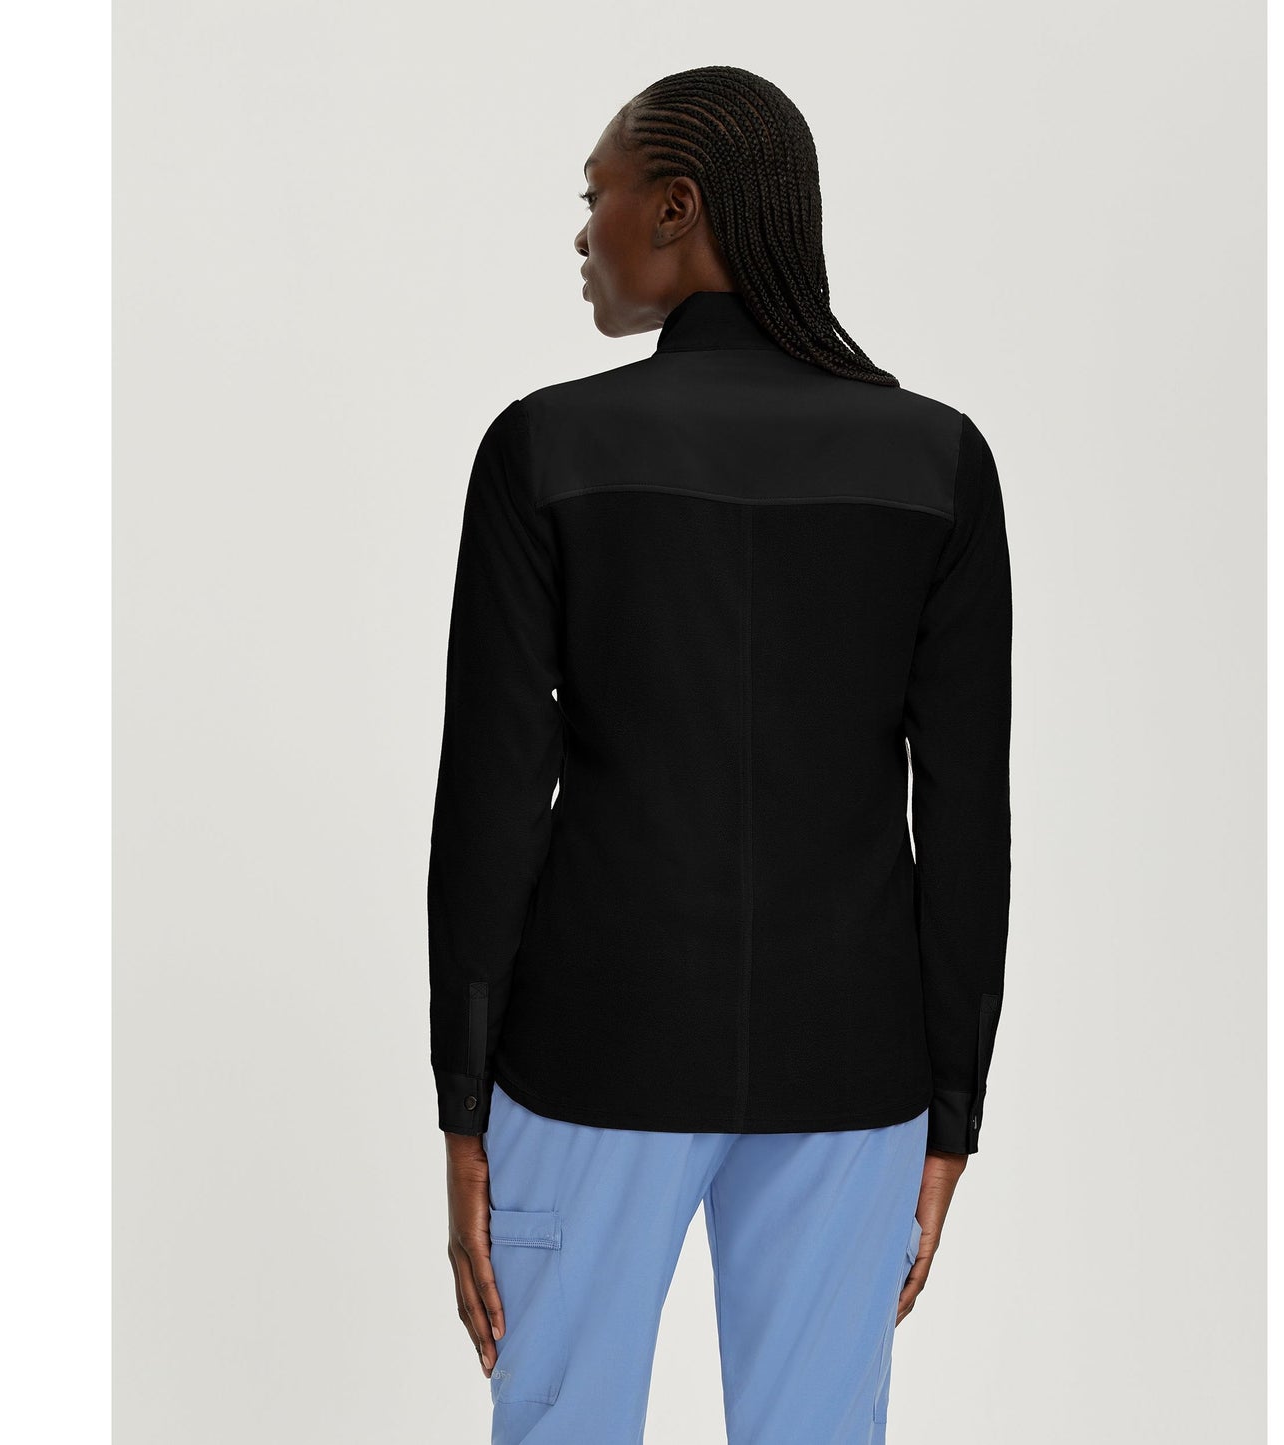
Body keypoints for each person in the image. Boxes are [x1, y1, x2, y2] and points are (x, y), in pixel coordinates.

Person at [427, 65, 1013, 1445]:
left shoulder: (544, 446)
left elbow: (491, 798)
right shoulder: (937, 460)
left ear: (676, 208)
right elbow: (965, 820)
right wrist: (949, 1111)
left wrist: (461, 1105)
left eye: (599, 195)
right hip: (854, 1066)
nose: (584, 231)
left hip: (592, 1050)